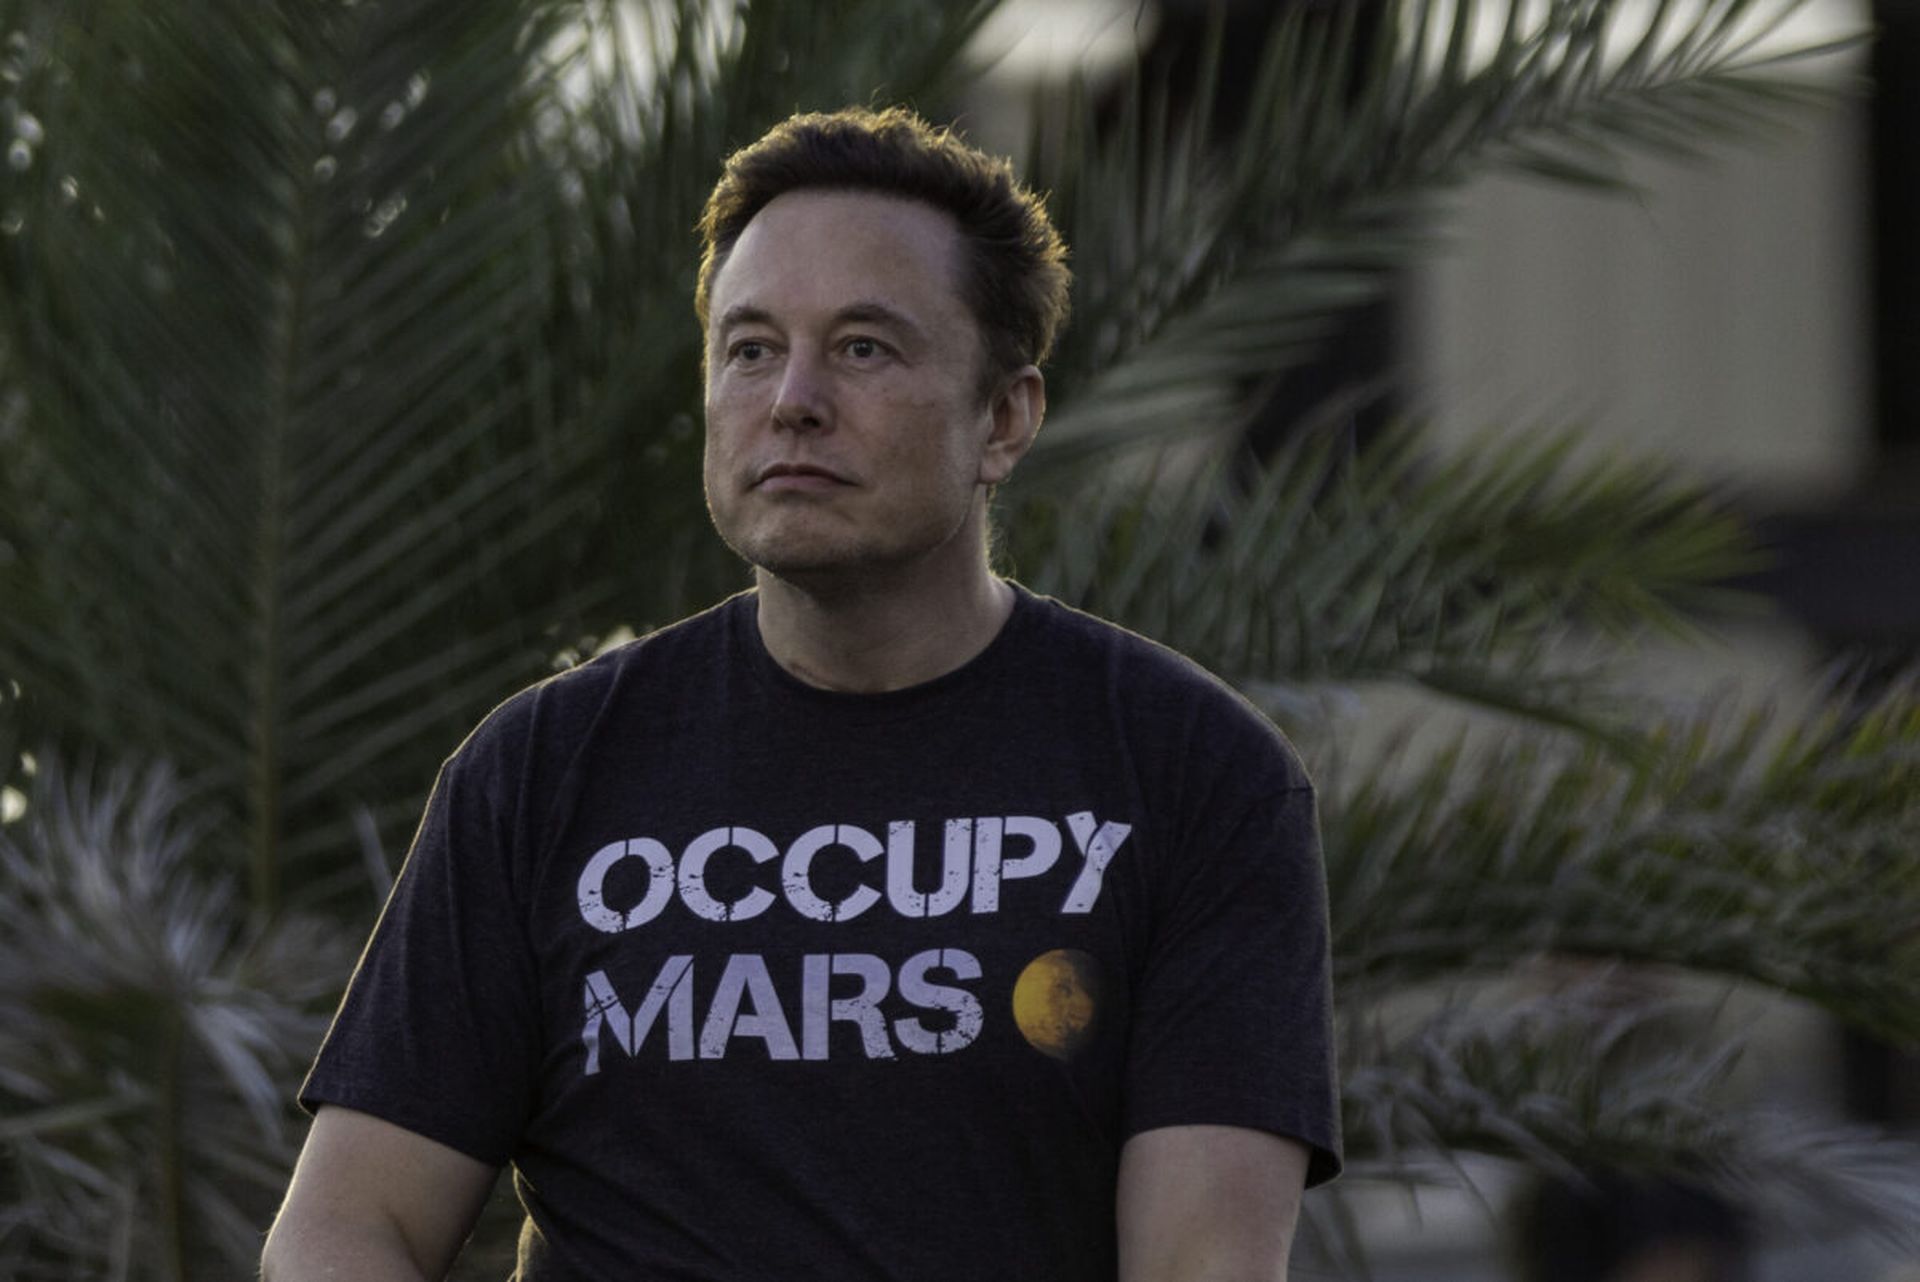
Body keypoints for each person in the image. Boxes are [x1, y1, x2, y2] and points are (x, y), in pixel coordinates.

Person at [262, 105, 1341, 1282]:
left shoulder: (1192, 773)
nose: (794, 399)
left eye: (865, 347)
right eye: (751, 348)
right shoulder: (543, 768)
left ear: (1005, 417)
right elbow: (346, 1224)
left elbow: (1204, 1264)